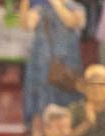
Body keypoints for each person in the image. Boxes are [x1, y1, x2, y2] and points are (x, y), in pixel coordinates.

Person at [22, 0, 85, 128]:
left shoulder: (77, 7)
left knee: (68, 110)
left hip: (67, 68)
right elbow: (27, 24)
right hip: (40, 66)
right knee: (39, 115)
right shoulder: (37, 7)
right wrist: (27, 7)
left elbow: (72, 22)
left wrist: (56, 3)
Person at [71, 64, 105, 136]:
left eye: (101, 84)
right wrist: (87, 123)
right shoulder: (75, 109)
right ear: (85, 87)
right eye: (92, 84)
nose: (96, 89)